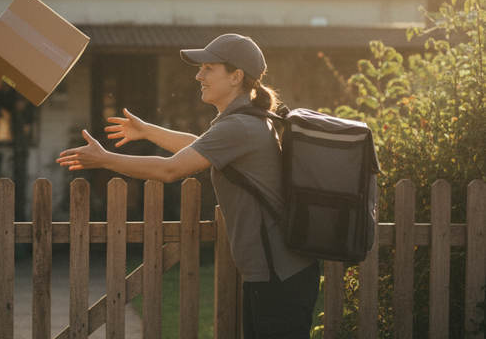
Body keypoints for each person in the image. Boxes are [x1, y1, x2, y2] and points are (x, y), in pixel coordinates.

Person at [57, 33, 320, 338]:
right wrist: (147, 131)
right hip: (278, 273)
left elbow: (170, 169)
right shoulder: (247, 121)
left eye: (209, 68)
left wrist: (105, 159)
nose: (199, 75)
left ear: (236, 77)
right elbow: (200, 147)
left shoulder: (239, 126)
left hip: (279, 276)